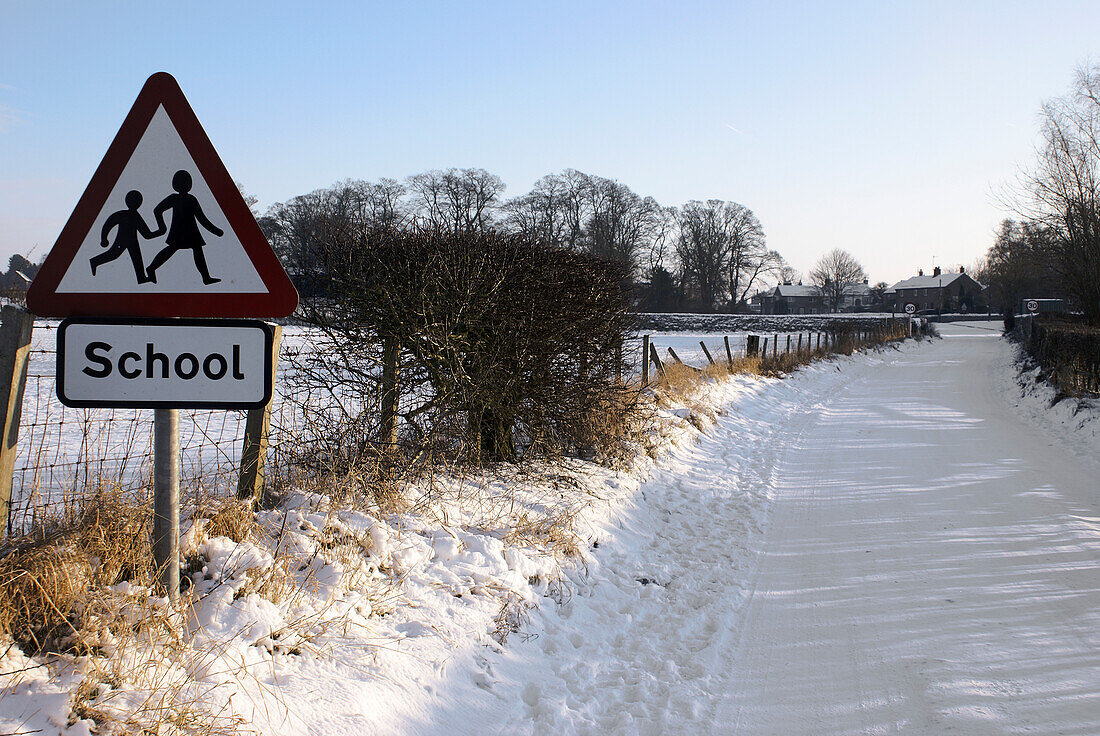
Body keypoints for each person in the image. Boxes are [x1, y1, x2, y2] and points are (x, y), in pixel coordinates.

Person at [145, 170, 223, 285]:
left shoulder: (191, 199)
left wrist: (215, 231)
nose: (186, 185)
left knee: (196, 251)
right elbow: (157, 210)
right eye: (184, 182)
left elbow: (201, 218)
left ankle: (206, 277)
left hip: (191, 231)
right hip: (179, 231)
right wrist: (162, 227)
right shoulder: (175, 198)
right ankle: (151, 268)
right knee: (173, 249)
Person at [90, 190, 157, 284]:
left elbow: (146, 234)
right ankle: (94, 261)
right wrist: (104, 238)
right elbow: (109, 223)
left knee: (137, 258)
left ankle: (141, 277)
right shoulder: (124, 214)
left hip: (133, 241)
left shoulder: (134, 215)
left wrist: (159, 232)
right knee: (114, 254)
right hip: (123, 240)